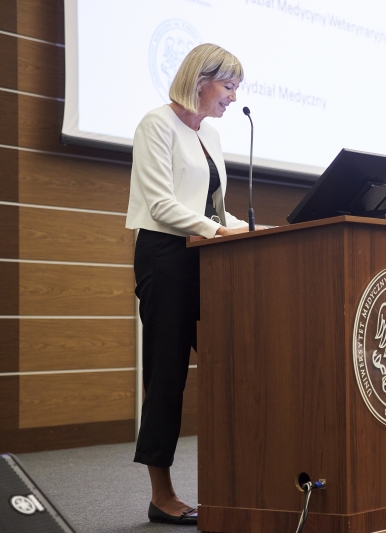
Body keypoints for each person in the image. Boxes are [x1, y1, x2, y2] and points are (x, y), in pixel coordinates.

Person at [125, 43, 253, 525]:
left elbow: (212, 210)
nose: (233, 96)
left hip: (206, 258)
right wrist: (219, 232)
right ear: (200, 81)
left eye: (236, 87)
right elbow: (161, 205)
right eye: (228, 85)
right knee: (167, 374)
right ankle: (162, 495)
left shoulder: (211, 136)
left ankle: (241, 480)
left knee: (233, 366)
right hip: (164, 257)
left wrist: (249, 229)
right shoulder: (156, 124)